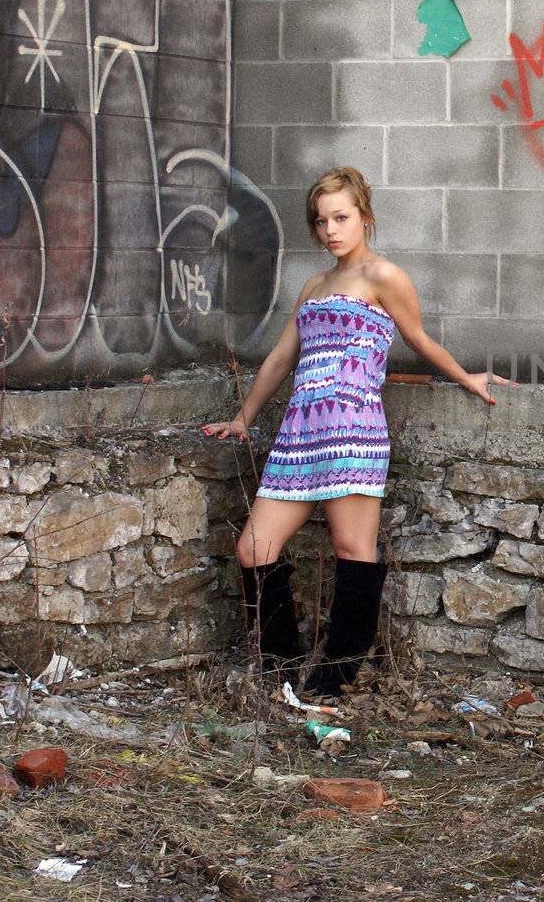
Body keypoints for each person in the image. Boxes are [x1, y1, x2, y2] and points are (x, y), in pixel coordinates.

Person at [202, 167, 512, 698]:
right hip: (300, 433)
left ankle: (335, 675)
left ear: (364, 217)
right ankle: (281, 668)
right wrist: (243, 419)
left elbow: (418, 338)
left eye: (341, 217)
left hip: (353, 429)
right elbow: (280, 358)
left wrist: (466, 376)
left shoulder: (383, 277)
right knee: (253, 548)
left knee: (353, 547)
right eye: (321, 221)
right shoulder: (314, 286)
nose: (331, 230)